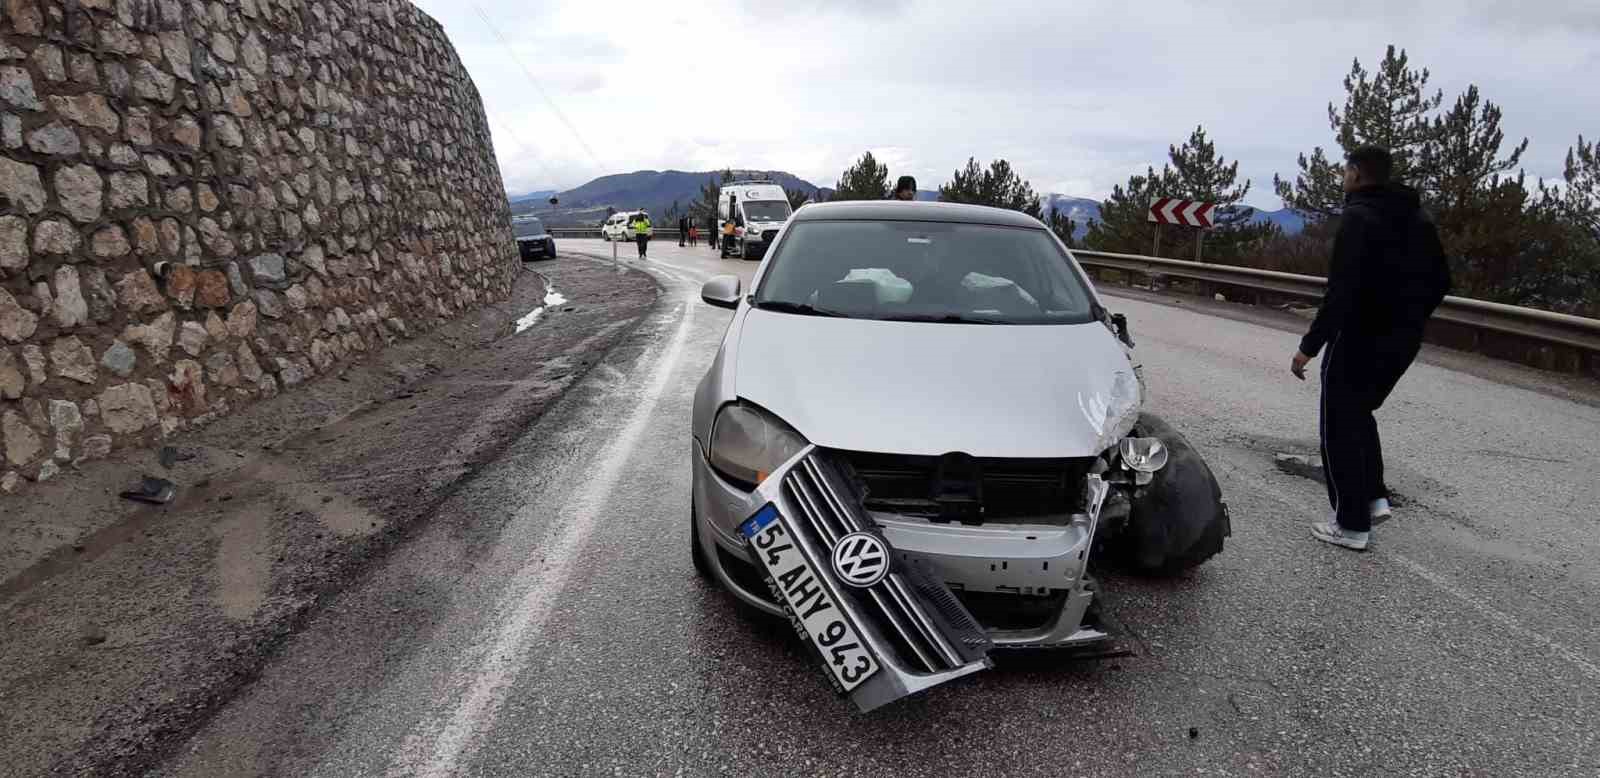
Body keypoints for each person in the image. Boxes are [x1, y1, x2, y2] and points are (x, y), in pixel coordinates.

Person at [1290, 146, 1450, 552]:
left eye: (1346, 171)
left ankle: (1350, 524)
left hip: (1358, 337)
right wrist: (1409, 318)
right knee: (1360, 412)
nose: (1343, 177)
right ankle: (1374, 498)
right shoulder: (1416, 217)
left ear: (1357, 174)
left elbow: (1341, 292)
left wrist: (1309, 346)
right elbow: (1442, 280)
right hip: (1403, 340)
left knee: (1338, 424)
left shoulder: (1358, 218)